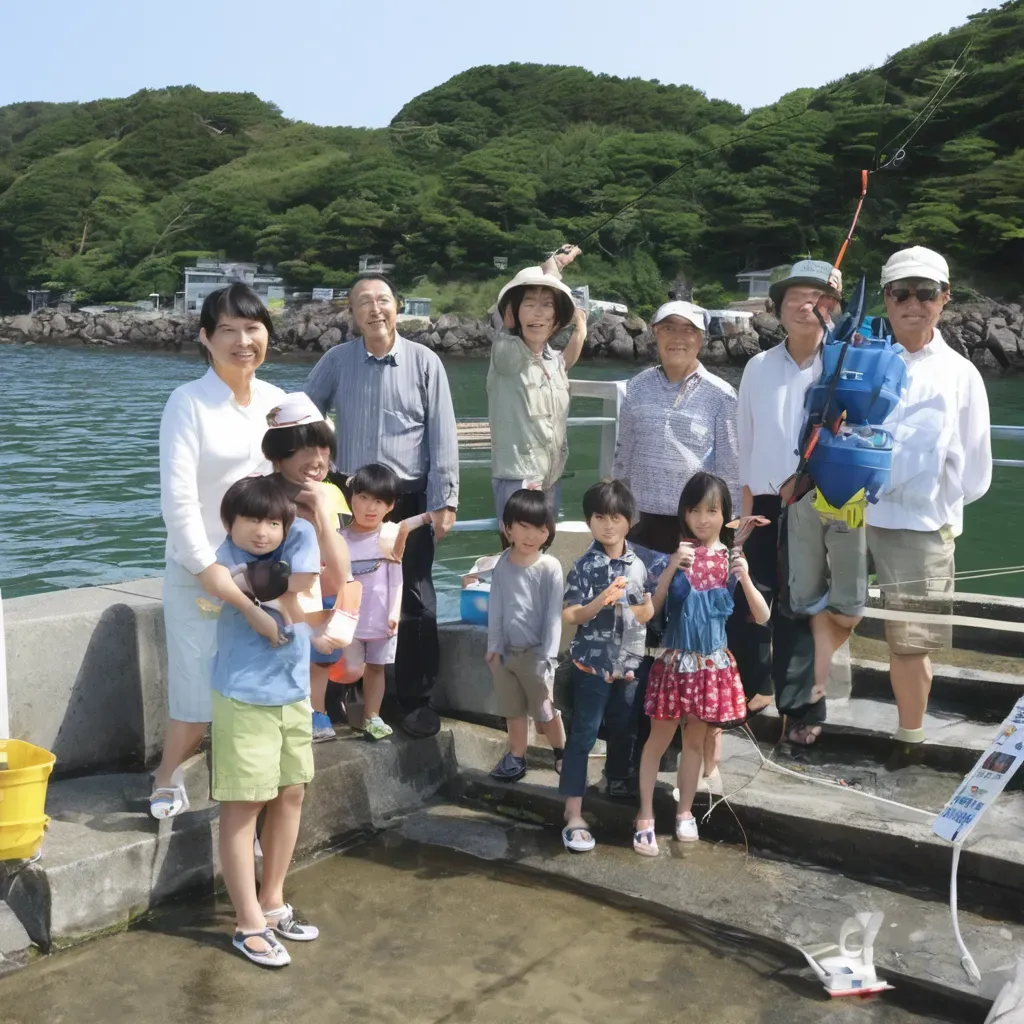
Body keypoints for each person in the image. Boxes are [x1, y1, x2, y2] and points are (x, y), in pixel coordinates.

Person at [303, 272, 459, 739]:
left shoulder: (425, 362)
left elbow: (443, 434)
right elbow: (306, 417)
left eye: (384, 300)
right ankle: (334, 696)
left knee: (413, 598)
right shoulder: (335, 361)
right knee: (335, 595)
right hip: (346, 500)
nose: (375, 309)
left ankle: (413, 699)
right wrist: (308, 473)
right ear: (352, 314)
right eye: (364, 303)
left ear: (399, 306)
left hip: (407, 500)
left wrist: (444, 500)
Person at [151, 284, 286, 819]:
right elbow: (178, 498)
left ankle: (249, 798)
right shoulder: (188, 402)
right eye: (227, 330)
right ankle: (166, 773)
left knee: (255, 692)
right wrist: (206, 568)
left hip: (266, 573)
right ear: (205, 338)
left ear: (267, 336)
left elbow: (304, 481)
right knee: (197, 690)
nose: (242, 340)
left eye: (253, 328)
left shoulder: (280, 403)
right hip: (201, 570)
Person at [867, 247, 992, 743]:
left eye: (925, 292)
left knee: (911, 643)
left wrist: (935, 499)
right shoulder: (860, 356)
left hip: (921, 523)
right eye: (901, 292)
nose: (912, 302)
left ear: (944, 299)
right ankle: (812, 715)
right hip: (850, 513)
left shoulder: (962, 374)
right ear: (886, 298)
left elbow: (977, 470)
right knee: (824, 615)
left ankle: (910, 738)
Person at [208, 476, 321, 968]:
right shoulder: (224, 558)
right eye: (251, 520)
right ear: (230, 522)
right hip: (245, 695)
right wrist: (252, 611)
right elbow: (212, 579)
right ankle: (248, 922)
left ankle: (273, 902)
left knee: (290, 791)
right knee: (244, 802)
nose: (262, 531)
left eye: (273, 522)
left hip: (292, 691)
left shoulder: (293, 545)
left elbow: (307, 578)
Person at [730, 259, 843, 746]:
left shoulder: (842, 365)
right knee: (748, 600)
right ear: (778, 307)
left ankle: (801, 706)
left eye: (819, 297)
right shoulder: (757, 366)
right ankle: (750, 691)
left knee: (804, 607)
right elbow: (744, 444)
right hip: (762, 504)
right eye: (796, 296)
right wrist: (742, 513)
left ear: (835, 308)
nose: (806, 305)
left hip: (819, 505)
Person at [634, 473, 769, 854]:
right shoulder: (673, 555)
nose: (703, 519)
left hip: (712, 666)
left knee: (695, 741)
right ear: (684, 513)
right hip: (674, 663)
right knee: (657, 741)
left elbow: (762, 617)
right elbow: (651, 611)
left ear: (725, 514)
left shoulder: (731, 560)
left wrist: (744, 579)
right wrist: (670, 570)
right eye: (695, 511)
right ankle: (645, 814)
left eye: (712, 511)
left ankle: (684, 813)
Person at [559, 480, 658, 852]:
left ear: (628, 521)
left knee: (625, 728)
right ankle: (573, 812)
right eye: (599, 517)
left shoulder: (638, 565)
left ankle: (615, 779)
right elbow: (571, 615)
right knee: (582, 736)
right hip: (591, 666)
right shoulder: (584, 566)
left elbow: (647, 612)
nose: (608, 525)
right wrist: (602, 600)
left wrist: (634, 607)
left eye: (615, 517)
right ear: (589, 521)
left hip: (630, 666)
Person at [262, 393, 352, 743]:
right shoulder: (258, 496)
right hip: (270, 619)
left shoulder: (328, 494)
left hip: (312, 612)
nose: (318, 460)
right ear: (279, 455)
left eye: (324, 449)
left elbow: (341, 574)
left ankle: (317, 712)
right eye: (306, 450)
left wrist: (320, 516)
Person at [613, 299, 740, 545]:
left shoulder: (722, 395)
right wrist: (617, 506)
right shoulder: (637, 386)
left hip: (696, 520)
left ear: (701, 339)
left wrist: (730, 526)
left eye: (688, 330)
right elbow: (624, 453)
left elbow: (731, 465)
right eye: (668, 328)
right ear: (655, 333)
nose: (677, 338)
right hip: (640, 516)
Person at [488, 246, 588, 532]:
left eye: (547, 306)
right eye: (529, 304)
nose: (538, 312)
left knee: (542, 553)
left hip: (549, 479)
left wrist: (580, 330)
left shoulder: (552, 362)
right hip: (516, 480)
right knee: (518, 558)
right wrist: (553, 265)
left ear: (556, 319)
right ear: (513, 313)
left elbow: (566, 359)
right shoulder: (506, 353)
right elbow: (507, 337)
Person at [339, 464, 431, 742]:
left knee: (377, 667)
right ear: (351, 497)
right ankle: (340, 706)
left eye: (379, 501)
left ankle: (372, 717)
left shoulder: (389, 536)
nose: (370, 507)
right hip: (348, 615)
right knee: (351, 667)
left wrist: (393, 614)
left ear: (390, 506)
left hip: (380, 616)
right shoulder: (338, 538)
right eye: (364, 497)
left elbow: (396, 580)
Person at [485, 489, 567, 782]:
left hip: (537, 656)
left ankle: (561, 752)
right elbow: (495, 606)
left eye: (540, 528)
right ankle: (516, 756)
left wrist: (549, 658)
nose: (531, 535)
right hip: (507, 653)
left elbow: (553, 617)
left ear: (548, 532)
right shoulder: (502, 564)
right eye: (524, 526)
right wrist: (493, 647)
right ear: (508, 528)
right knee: (513, 709)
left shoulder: (550, 567)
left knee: (545, 713)